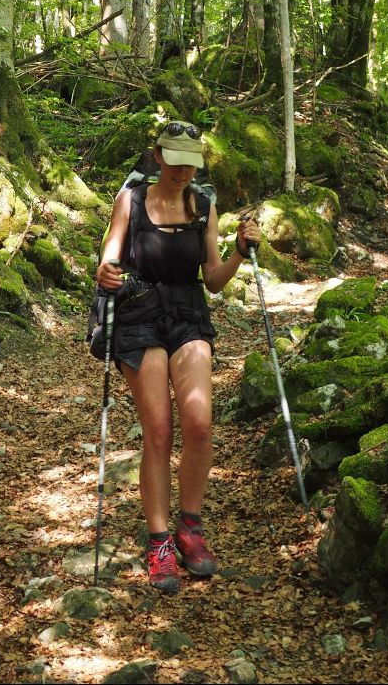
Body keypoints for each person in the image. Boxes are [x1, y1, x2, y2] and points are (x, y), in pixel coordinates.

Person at [95, 121, 261, 594]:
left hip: (189, 313)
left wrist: (238, 252)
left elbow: (213, 278)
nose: (185, 168)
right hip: (140, 314)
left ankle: (191, 527)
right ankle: (159, 540)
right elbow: (109, 257)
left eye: (192, 160)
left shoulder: (203, 206)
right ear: (158, 155)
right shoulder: (130, 200)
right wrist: (105, 272)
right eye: (176, 158)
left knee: (200, 424)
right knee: (160, 431)